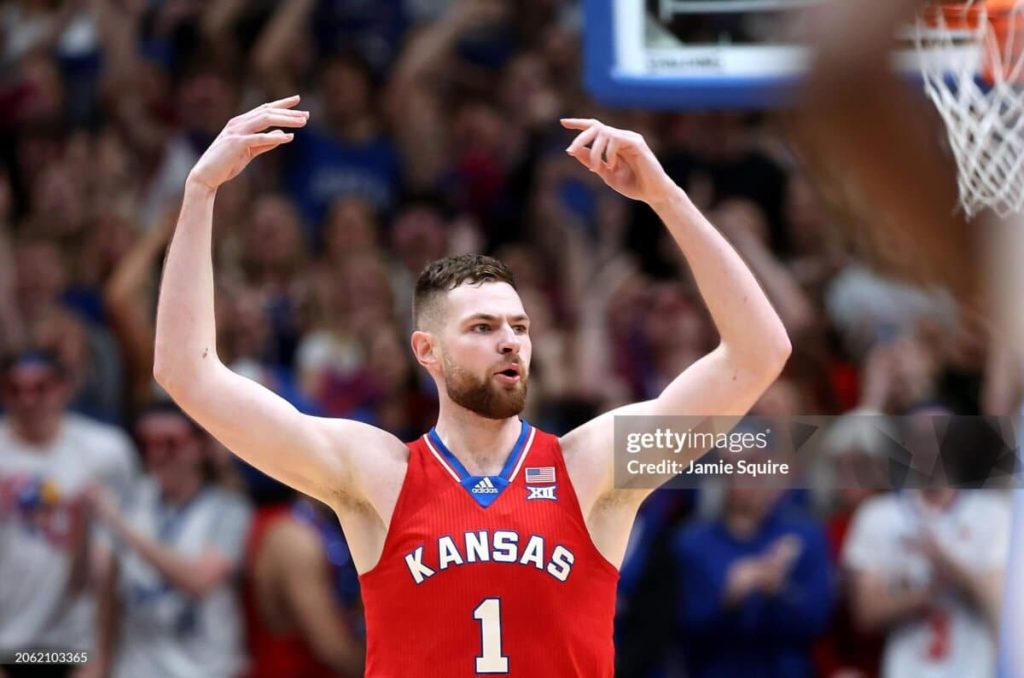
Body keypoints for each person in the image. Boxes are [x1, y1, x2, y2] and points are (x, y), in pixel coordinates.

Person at [152, 95, 791, 675]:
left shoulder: (592, 467)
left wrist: (666, 197)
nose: (510, 340)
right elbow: (189, 372)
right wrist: (200, 190)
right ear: (426, 352)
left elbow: (758, 353)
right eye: (483, 327)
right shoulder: (377, 474)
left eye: (519, 325)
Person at [88, 402, 252, 678]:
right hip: (137, 668)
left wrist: (120, 526)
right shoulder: (133, 499)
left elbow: (199, 580)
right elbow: (104, 588)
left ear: (199, 447)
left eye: (170, 443)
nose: (157, 454)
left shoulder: (229, 508)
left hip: (206, 668)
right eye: (147, 443)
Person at [0, 350, 137, 675]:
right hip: (7, 639)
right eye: (15, 389)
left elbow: (114, 563)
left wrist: (102, 655)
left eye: (40, 388)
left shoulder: (106, 450)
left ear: (64, 387)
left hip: (73, 642)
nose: (28, 400)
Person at [843, 486, 1010, 677]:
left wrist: (947, 566)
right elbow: (865, 613)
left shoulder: (994, 513)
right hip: (904, 669)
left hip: (973, 669)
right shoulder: (880, 513)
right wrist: (924, 593)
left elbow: (1001, 609)